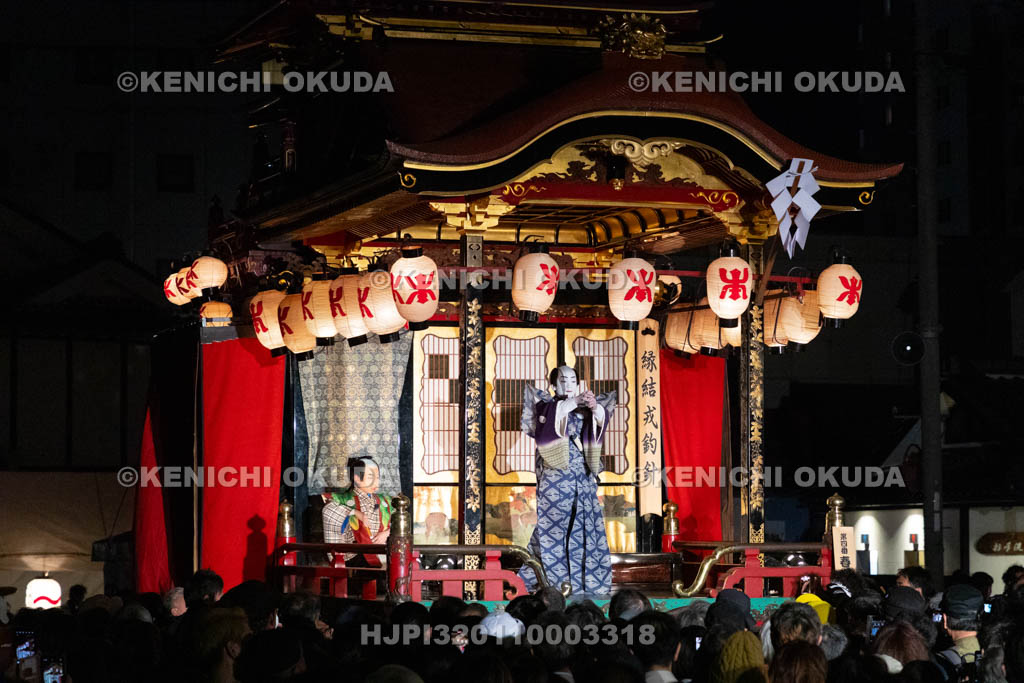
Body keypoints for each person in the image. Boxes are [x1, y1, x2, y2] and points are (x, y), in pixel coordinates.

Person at [518, 365, 617, 596]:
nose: (569, 385)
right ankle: (549, 583)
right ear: (553, 385)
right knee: (552, 529)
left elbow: (601, 420)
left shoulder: (584, 409)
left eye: (573, 380)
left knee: (586, 525)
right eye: (563, 381)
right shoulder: (546, 406)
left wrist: (594, 407)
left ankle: (586, 584)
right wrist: (575, 402)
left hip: (582, 476)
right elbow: (550, 420)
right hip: (555, 478)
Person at [322, 456, 393, 566]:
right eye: (370, 477)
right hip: (355, 555)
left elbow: (399, 523)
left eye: (377, 478)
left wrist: (387, 533)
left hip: (383, 552)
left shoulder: (384, 500)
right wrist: (355, 512)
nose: (376, 483)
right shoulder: (343, 499)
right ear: (357, 478)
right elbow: (328, 511)